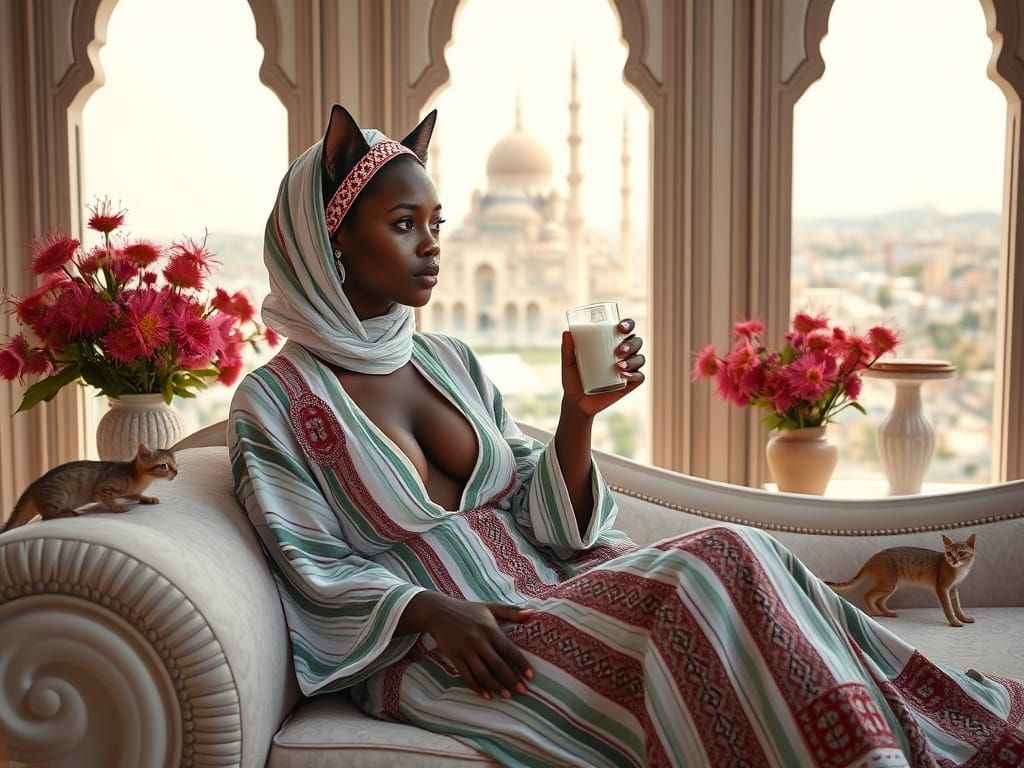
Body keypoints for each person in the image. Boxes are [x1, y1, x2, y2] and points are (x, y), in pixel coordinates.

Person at [229, 105, 1024, 768]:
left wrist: (579, 411)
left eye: (436, 222)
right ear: (326, 242)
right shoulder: (274, 402)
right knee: (715, 560)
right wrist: (430, 611)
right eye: (404, 224)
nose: (433, 245)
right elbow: (312, 567)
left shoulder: (446, 361)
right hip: (463, 650)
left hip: (555, 590)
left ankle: (894, 737)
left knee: (740, 550)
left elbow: (543, 516)